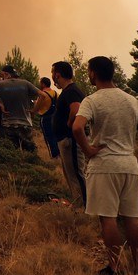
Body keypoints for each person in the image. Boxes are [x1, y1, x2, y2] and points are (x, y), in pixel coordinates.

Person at [72, 56, 138, 275]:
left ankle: (116, 268)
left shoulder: (92, 100)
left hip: (105, 165)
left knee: (108, 218)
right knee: (132, 218)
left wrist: (88, 150)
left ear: (93, 73)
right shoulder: (131, 100)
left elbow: (77, 128)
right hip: (129, 165)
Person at [51, 61, 87, 208]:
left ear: (57, 74)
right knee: (71, 174)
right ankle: (78, 204)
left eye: (53, 72)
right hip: (66, 140)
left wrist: (69, 123)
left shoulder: (71, 91)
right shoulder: (68, 91)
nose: (52, 76)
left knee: (76, 175)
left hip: (70, 140)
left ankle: (84, 206)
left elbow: (76, 109)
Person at [0, 65, 40, 152]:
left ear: (7, 74)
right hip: (25, 124)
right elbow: (43, 95)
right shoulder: (26, 83)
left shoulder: (0, 85)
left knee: (11, 152)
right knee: (29, 152)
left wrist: (0, 105)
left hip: (8, 124)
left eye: (3, 75)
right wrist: (34, 110)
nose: (2, 78)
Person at [38, 77, 60, 159]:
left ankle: (54, 155)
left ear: (43, 84)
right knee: (56, 136)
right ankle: (59, 154)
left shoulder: (42, 94)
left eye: (40, 83)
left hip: (45, 118)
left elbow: (38, 105)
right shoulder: (55, 93)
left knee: (49, 137)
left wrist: (33, 110)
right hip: (55, 117)